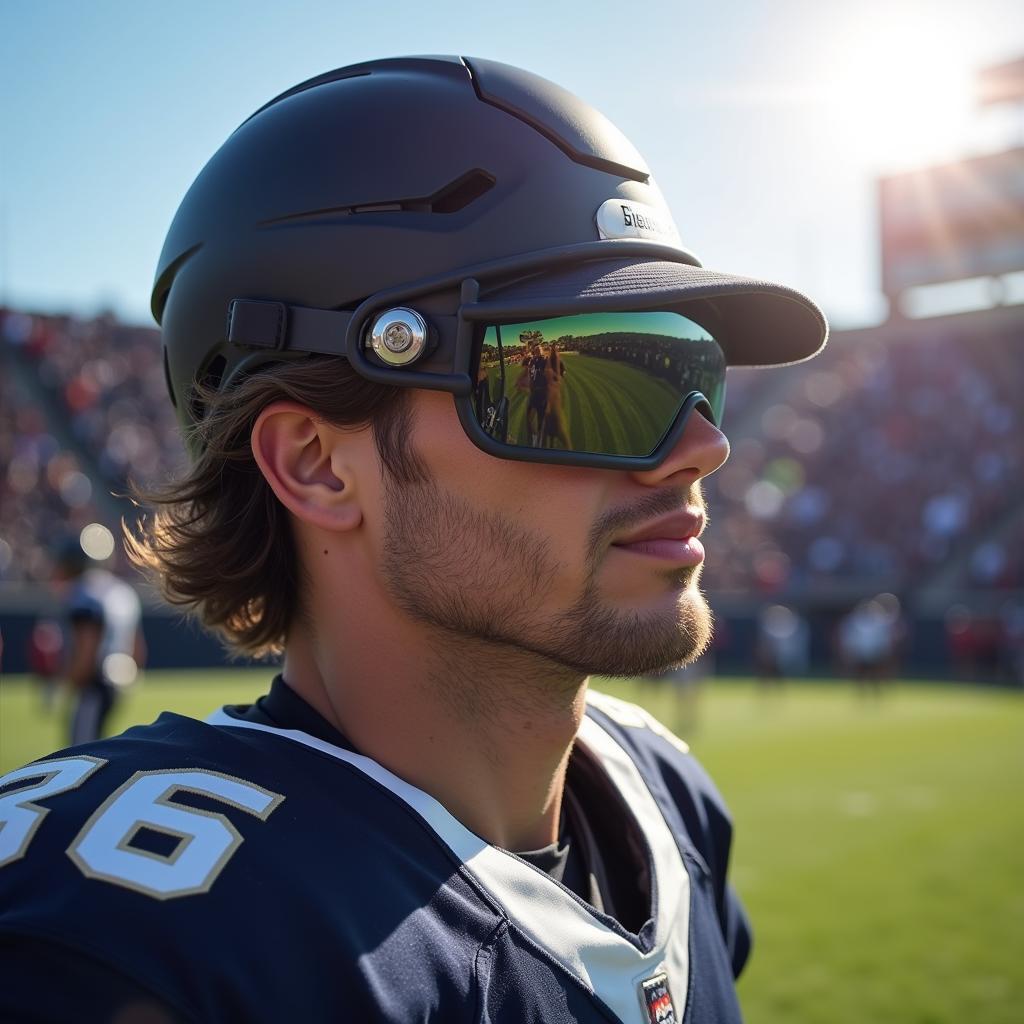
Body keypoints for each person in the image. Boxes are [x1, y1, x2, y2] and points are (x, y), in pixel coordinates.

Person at [0, 56, 827, 1022]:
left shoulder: (661, 794)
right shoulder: (130, 943)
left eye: (695, 370)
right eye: (567, 379)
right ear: (315, 462)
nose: (702, 445)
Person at [50, 535, 145, 745]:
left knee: (80, 750)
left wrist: (66, 684)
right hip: (119, 678)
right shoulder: (121, 591)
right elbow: (138, 647)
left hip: (95, 681)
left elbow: (87, 648)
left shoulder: (84, 593)